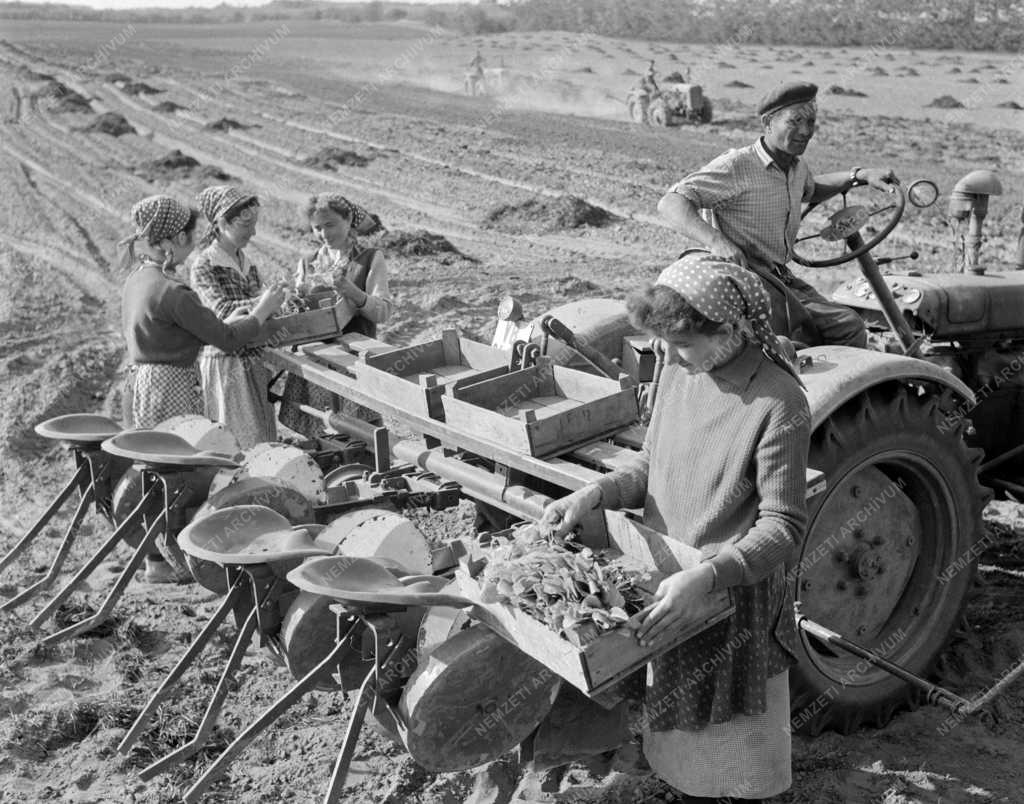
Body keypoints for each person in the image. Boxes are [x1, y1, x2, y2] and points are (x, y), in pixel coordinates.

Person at [538, 252, 810, 803]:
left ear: (731, 331)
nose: (669, 356)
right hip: (666, 576)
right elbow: (650, 465)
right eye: (663, 343)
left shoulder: (778, 402)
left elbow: (782, 527)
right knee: (677, 729)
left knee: (735, 752)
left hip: (727, 597)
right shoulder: (675, 368)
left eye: (682, 343)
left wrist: (707, 578)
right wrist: (594, 494)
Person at [658, 80, 899, 348]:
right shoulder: (738, 165)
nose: (805, 131)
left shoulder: (794, 166)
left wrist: (859, 175)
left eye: (811, 122)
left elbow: (811, 189)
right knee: (847, 326)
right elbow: (671, 202)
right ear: (768, 123)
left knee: (833, 323)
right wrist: (717, 242)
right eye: (794, 122)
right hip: (748, 277)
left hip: (780, 276)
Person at [120, 195, 285, 582]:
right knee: (183, 475)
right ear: (174, 238)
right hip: (172, 385)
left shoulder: (138, 279)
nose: (194, 244)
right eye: (190, 237)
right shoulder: (173, 292)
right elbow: (225, 338)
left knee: (156, 470)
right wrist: (262, 311)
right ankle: (180, 562)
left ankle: (156, 561)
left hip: (142, 382)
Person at [279, 193, 391, 434]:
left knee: (359, 435)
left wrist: (355, 294)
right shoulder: (308, 263)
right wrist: (292, 300)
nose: (324, 234)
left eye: (330, 225)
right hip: (316, 358)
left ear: (348, 219)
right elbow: (297, 305)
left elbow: (382, 312)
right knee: (319, 430)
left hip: (353, 360)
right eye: (317, 228)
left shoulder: (369, 258)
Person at [191, 185, 288, 449]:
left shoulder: (248, 264)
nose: (253, 232)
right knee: (237, 441)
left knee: (261, 438)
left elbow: (264, 311)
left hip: (254, 360)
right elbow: (222, 314)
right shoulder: (205, 265)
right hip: (227, 364)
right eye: (247, 226)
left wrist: (274, 304)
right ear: (222, 223)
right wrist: (266, 303)